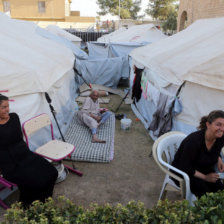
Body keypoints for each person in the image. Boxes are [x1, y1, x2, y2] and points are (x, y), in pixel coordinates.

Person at [0, 94, 58, 207]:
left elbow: (19, 139)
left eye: (8, 106)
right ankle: (28, 205)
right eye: (3, 107)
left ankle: (44, 202)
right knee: (37, 182)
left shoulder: (14, 117)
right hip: (10, 164)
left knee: (52, 173)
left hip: (25, 155)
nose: (7, 109)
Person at [172, 110, 224, 198]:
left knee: (221, 191)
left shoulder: (220, 138)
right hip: (184, 173)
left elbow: (216, 149)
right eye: (218, 124)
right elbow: (185, 167)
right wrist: (205, 177)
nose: (222, 129)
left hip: (203, 168)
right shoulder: (194, 141)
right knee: (207, 197)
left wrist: (218, 158)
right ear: (208, 124)